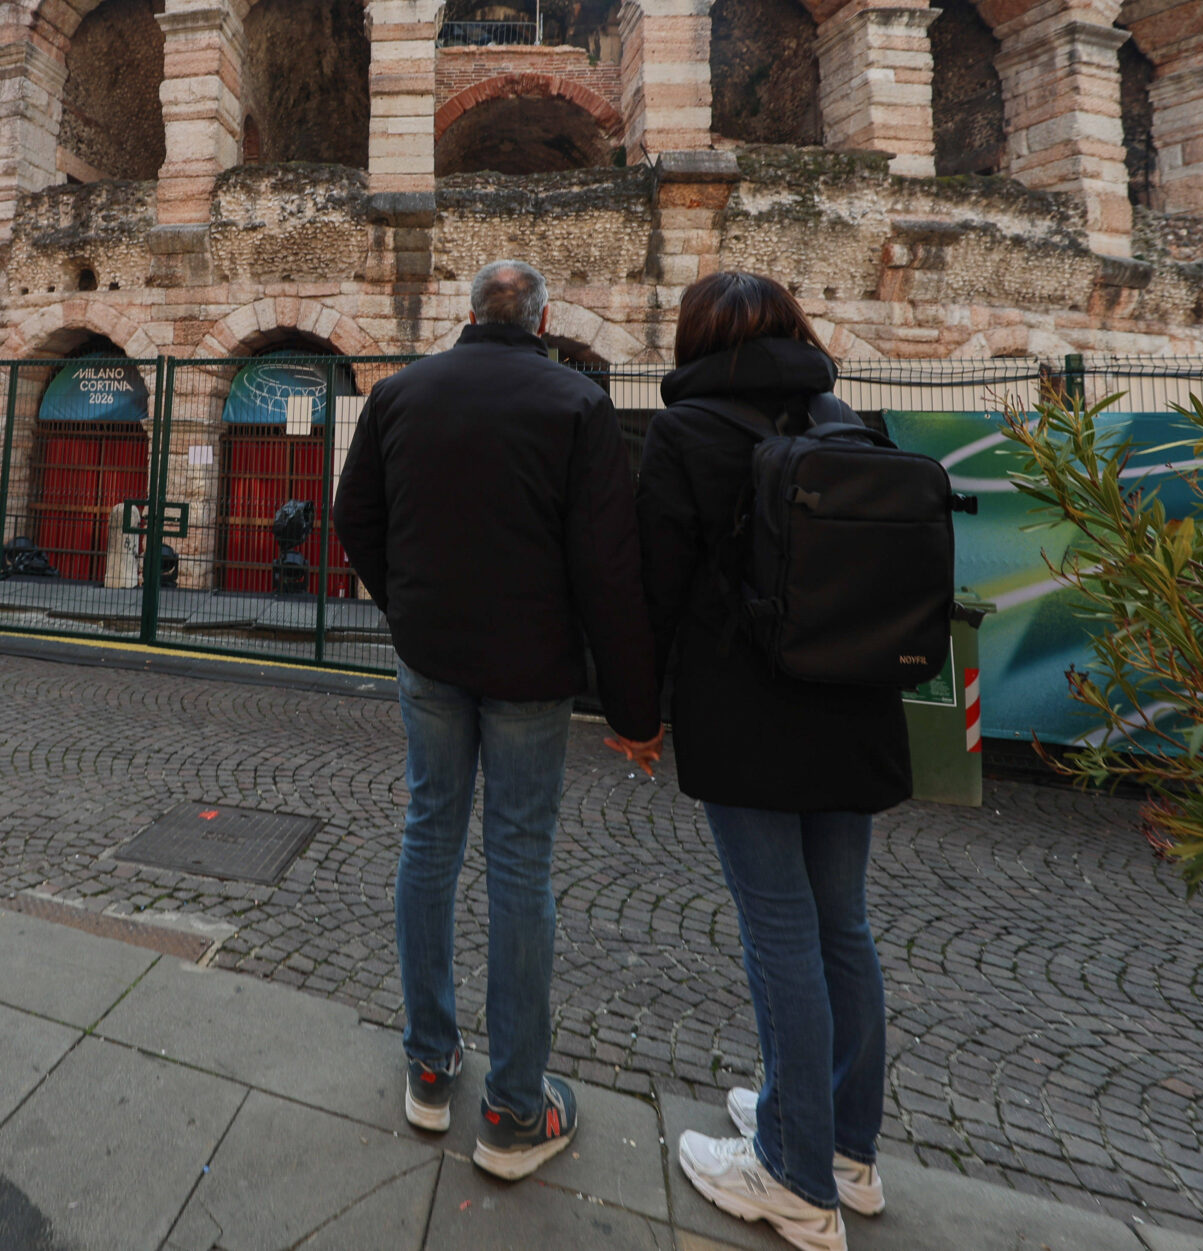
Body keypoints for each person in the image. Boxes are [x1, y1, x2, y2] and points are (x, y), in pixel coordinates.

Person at [334, 258, 662, 1181]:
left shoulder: (402, 391)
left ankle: (430, 1065)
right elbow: (607, 564)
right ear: (545, 316)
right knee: (521, 859)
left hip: (431, 654)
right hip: (530, 665)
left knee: (427, 836)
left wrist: (406, 603)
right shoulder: (574, 403)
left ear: (467, 314)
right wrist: (637, 709)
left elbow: (351, 513)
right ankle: (517, 1106)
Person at [634, 271, 910, 1251]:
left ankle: (793, 1181)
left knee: (779, 933)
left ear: (697, 338)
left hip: (749, 722)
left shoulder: (686, 433)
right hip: (857, 709)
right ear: (794, 330)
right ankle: (842, 1148)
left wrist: (634, 715)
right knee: (844, 930)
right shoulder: (847, 419)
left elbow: (653, 593)